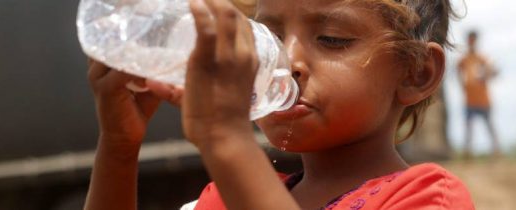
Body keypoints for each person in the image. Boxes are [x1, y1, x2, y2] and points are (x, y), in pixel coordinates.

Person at [84, 0, 475, 209]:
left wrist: (227, 139)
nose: (289, 63)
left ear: (416, 73)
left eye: (332, 39)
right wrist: (118, 148)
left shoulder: (425, 199)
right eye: (268, 38)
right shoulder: (219, 200)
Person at [457, 30, 501, 159]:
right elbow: (457, 71)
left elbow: (493, 71)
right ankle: (468, 154)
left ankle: (496, 152)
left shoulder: (482, 58)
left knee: (489, 127)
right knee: (469, 128)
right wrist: (463, 85)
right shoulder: (464, 59)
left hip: (483, 100)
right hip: (469, 100)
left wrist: (485, 77)